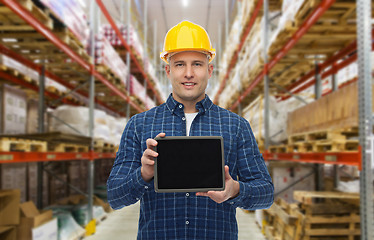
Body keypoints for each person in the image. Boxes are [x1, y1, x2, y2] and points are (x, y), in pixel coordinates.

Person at [107, 20, 274, 239]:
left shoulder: (236, 126)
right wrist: (144, 174)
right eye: (179, 65)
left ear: (209, 69)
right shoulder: (139, 125)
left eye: (197, 64)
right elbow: (114, 196)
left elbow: (266, 192)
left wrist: (235, 190)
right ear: (168, 70)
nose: (188, 73)